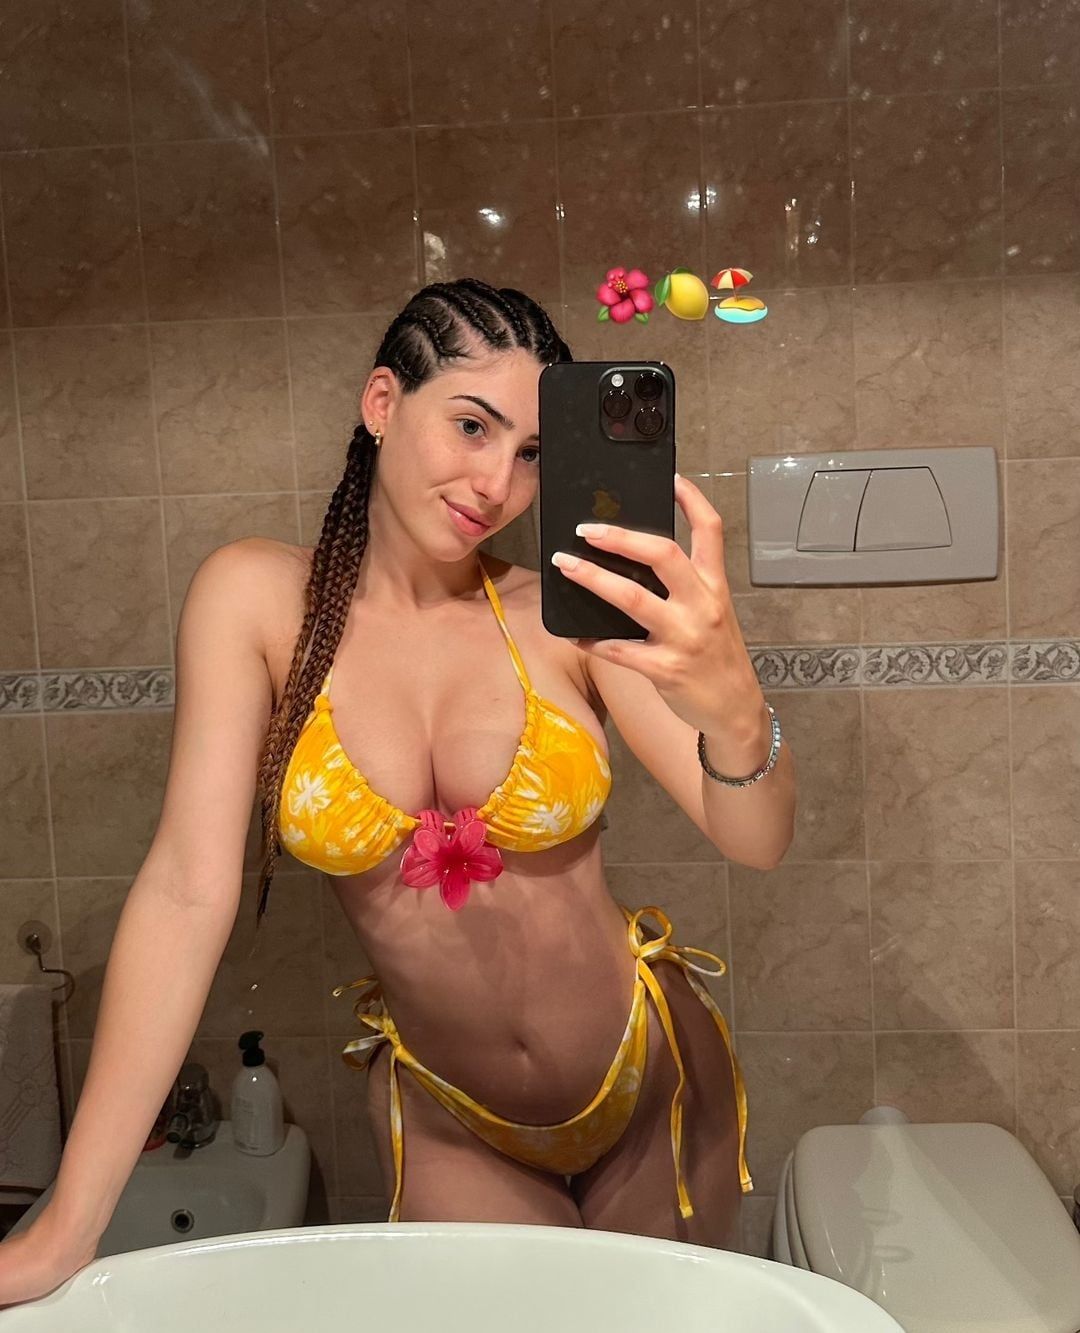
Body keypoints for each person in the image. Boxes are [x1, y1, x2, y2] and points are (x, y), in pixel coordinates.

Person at [0, 277, 795, 1308]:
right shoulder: (256, 601)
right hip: (452, 1116)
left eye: (531, 453)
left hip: (650, 1085)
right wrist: (67, 1225)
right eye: (472, 425)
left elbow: (756, 839)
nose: (496, 482)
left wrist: (737, 714)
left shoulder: (562, 612)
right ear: (383, 403)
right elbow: (188, 891)